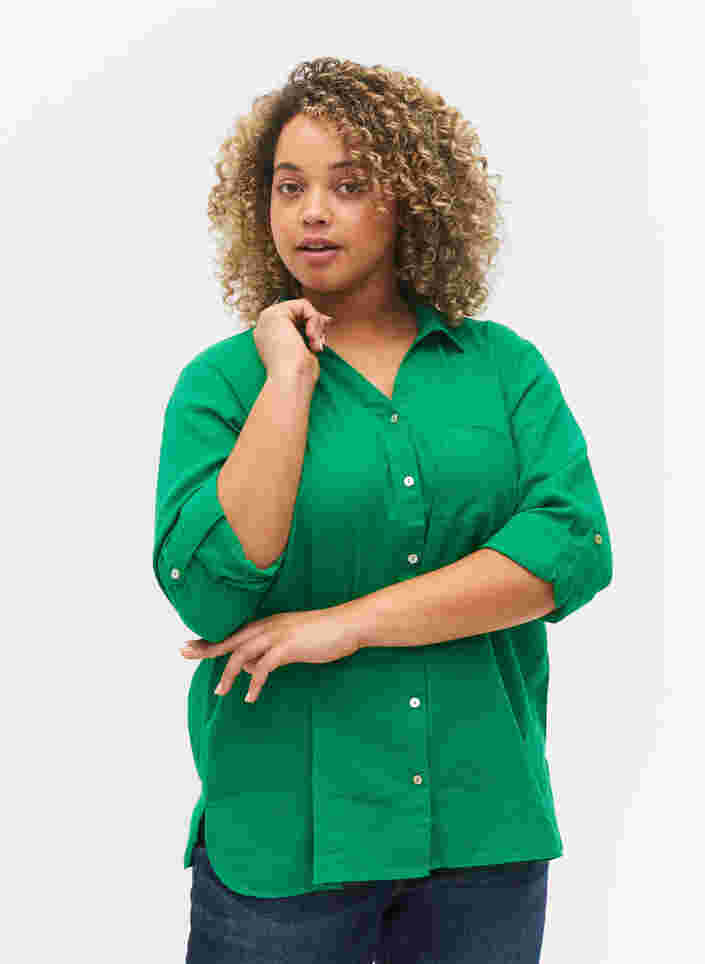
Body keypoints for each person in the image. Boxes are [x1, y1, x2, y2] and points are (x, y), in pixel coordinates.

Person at [152, 56, 613, 963]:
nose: (312, 212)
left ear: (411, 199)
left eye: (349, 185)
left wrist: (348, 624)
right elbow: (209, 594)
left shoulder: (502, 369)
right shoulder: (222, 384)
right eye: (289, 187)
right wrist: (288, 379)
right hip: (282, 840)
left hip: (479, 833)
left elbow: (567, 550)